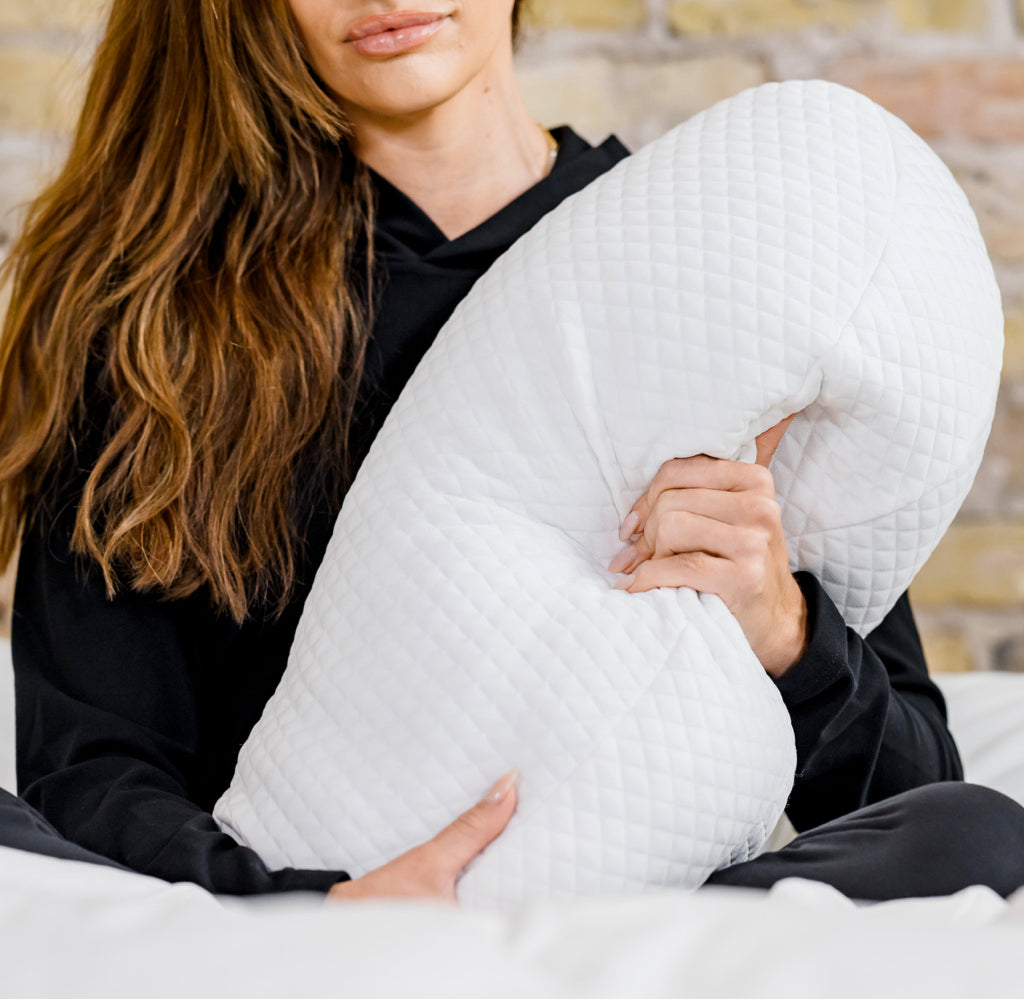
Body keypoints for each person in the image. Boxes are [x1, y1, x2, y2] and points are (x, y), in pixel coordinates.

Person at [1, 0, 1022, 904]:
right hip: (294, 904)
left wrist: (784, 627)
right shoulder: (157, 323)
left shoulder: (707, 255)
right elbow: (91, 767)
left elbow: (912, 789)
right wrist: (321, 908)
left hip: (648, 907)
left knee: (973, 834)